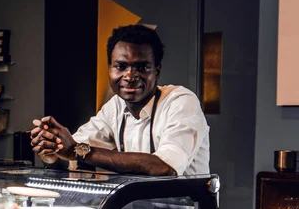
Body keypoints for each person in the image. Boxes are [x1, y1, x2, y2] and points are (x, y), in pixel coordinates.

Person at [31, 24, 210, 176]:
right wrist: (52, 147)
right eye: (121, 66)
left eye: (142, 67)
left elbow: (165, 167)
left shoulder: (181, 102)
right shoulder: (115, 107)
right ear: (110, 69)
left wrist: (77, 151)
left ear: (157, 72)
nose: (130, 76)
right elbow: (73, 148)